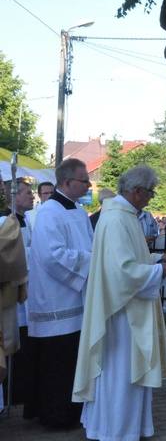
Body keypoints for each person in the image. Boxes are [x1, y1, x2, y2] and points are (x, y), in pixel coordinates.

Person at [73, 166, 166, 441]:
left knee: (122, 371)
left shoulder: (123, 215)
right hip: (122, 314)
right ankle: (116, 431)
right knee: (121, 371)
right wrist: (158, 273)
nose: (152, 198)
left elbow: (129, 259)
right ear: (137, 191)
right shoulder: (117, 218)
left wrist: (152, 261)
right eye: (151, 192)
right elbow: (122, 271)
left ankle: (124, 428)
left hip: (126, 307)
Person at [25, 158, 93, 427]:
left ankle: (72, 411)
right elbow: (51, 256)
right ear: (67, 182)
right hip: (56, 299)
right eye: (84, 180)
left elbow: (90, 243)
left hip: (77, 296)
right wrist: (91, 261)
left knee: (71, 362)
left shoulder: (77, 209)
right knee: (56, 364)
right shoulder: (49, 211)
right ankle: (54, 416)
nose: (88, 185)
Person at [2, 179, 34, 406]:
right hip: (12, 291)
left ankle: (20, 392)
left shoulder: (27, 220)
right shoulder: (5, 222)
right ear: (14, 197)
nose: (32, 196)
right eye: (28, 193)